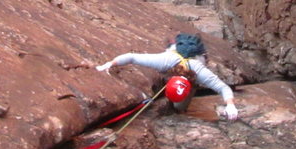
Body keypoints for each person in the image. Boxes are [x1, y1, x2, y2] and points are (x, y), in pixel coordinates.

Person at [96, 33, 239, 120]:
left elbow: (223, 88)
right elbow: (131, 57)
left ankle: (180, 106)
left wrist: (230, 105)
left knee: (179, 106)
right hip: (175, 51)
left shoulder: (200, 71)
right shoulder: (164, 61)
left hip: (195, 58)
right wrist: (109, 64)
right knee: (178, 103)